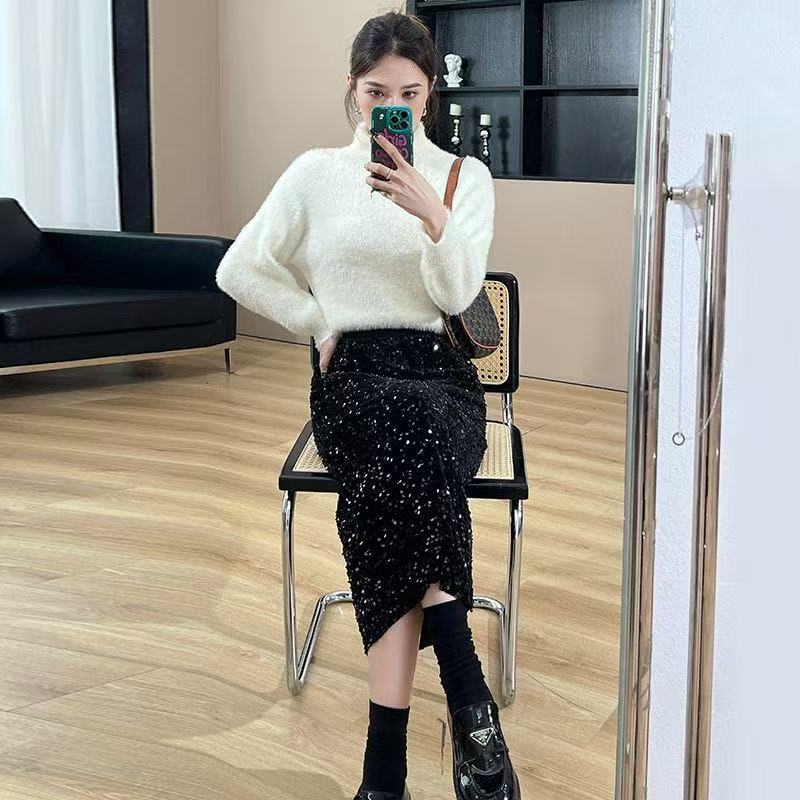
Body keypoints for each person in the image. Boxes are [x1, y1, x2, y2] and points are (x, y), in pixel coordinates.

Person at [215, 11, 520, 800]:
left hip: (441, 379)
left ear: (429, 94)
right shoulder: (315, 174)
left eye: (409, 94)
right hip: (352, 375)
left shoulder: (463, 178)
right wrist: (315, 320)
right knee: (405, 460)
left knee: (398, 478)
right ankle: (469, 697)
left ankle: (384, 774)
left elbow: (459, 293)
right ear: (352, 90)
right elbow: (238, 268)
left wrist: (431, 213)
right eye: (377, 91)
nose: (393, 106)